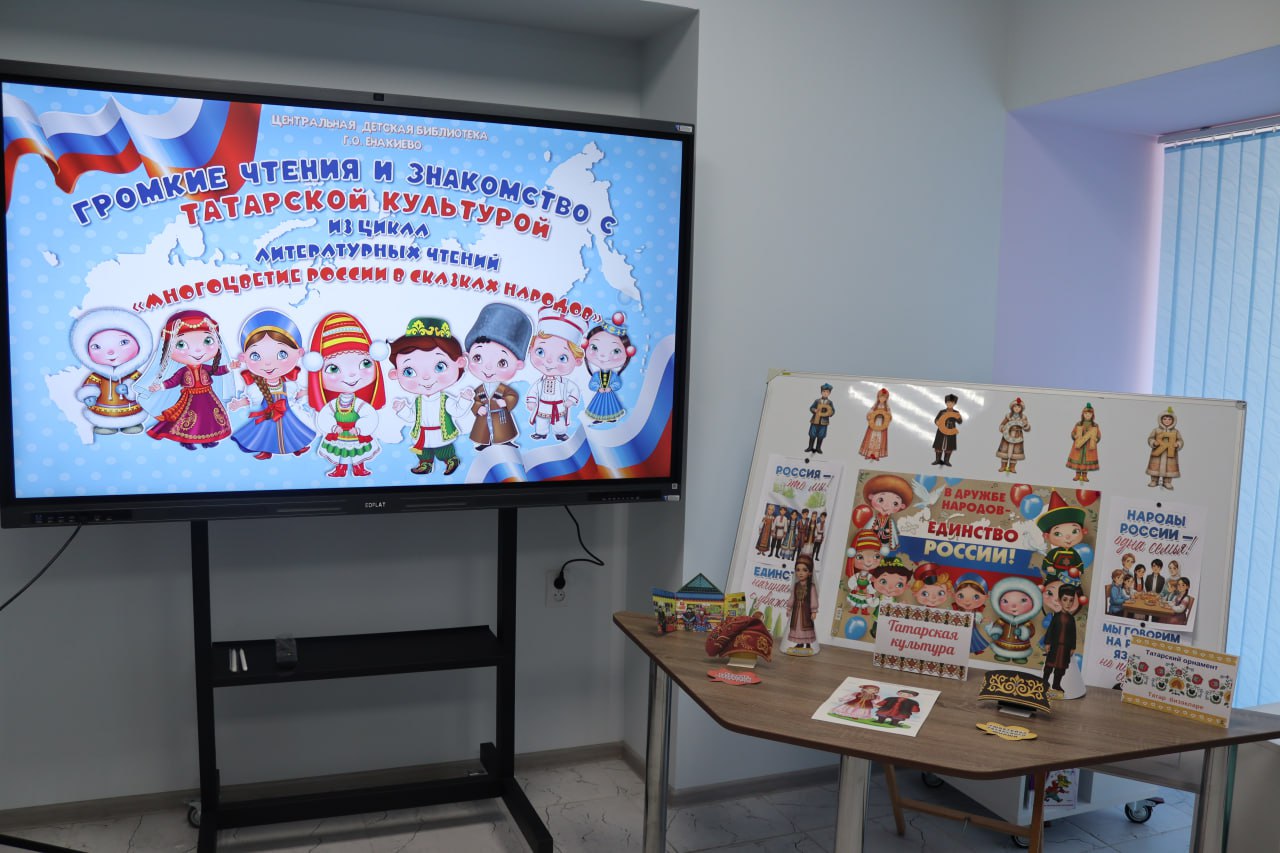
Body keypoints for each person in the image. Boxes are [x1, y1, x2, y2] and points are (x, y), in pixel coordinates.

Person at [305, 312, 389, 478]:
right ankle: (341, 469)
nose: (351, 375)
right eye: (333, 368)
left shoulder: (359, 403)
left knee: (358, 452)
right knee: (341, 452)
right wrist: (332, 427)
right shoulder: (334, 404)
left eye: (365, 363)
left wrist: (361, 428)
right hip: (339, 432)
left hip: (355, 432)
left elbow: (369, 414)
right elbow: (325, 414)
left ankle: (359, 468)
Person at [388, 316, 472, 476]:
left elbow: (457, 411)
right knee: (423, 451)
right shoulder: (418, 401)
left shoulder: (444, 399)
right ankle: (425, 464)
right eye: (409, 371)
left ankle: (451, 460)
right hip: (422, 433)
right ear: (395, 374)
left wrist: (465, 399)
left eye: (440, 366)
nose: (426, 378)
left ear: (460, 363)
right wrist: (402, 409)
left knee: (444, 449)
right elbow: (411, 417)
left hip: (441, 432)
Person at [139, 309, 234, 449]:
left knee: (209, 418)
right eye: (181, 344)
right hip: (191, 399)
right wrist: (161, 386)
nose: (197, 350)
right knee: (188, 418)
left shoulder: (205, 368)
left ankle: (209, 439)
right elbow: (173, 381)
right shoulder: (183, 371)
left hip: (208, 396)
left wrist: (230, 367)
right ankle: (186, 440)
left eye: (207, 341)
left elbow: (217, 371)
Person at [228, 309, 314, 460]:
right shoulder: (257, 387)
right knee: (265, 434)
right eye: (256, 355)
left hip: (287, 416)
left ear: (299, 353)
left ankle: (297, 447)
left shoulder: (289, 384)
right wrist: (239, 403)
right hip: (267, 416)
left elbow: (297, 394)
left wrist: (311, 391)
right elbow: (250, 399)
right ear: (244, 358)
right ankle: (265, 450)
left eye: (282, 354)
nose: (268, 363)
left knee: (293, 431)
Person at [68, 306, 153, 439]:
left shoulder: (133, 374)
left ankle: (132, 423)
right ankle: (105, 425)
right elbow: (89, 387)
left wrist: (130, 389)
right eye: (97, 346)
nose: (111, 352)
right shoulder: (97, 376)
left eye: (123, 342)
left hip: (131, 410)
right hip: (103, 411)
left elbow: (143, 388)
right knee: (103, 421)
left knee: (132, 420)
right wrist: (89, 396)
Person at [463, 302, 533, 450]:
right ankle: (485, 443)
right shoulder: (479, 390)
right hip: (484, 417)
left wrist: (505, 402)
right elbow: (475, 401)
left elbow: (512, 395)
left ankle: (505, 441)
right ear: (467, 356)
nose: (488, 368)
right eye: (477, 358)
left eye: (502, 362)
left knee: (503, 432)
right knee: (484, 431)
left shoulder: (503, 389)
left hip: (501, 416)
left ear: (518, 365)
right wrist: (477, 408)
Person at [525, 306, 586, 441]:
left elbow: (574, 390)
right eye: (540, 351)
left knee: (559, 422)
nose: (549, 361)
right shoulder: (540, 382)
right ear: (530, 348)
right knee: (541, 421)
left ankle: (560, 433)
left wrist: (571, 400)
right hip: (543, 405)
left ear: (577, 361)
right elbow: (533, 391)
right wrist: (531, 401)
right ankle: (541, 433)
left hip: (559, 406)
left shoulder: (565, 383)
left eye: (562, 358)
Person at [583, 312, 634, 424]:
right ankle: (598, 418)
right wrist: (598, 388)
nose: (603, 356)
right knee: (598, 406)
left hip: (609, 393)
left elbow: (617, 383)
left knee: (611, 405)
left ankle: (611, 417)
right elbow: (592, 384)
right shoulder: (596, 375)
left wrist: (611, 387)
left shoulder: (613, 375)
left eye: (616, 351)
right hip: (600, 393)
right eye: (594, 347)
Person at [984, 576, 1042, 664]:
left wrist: (1024, 632)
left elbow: (1031, 631)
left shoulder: (1026, 622)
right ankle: (1002, 654)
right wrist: (996, 632)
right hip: (1002, 645)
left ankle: (1020, 656)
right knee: (1001, 651)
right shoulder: (1003, 620)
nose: (1014, 606)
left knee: (1021, 654)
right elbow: (997, 625)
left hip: (1022, 647)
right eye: (1005, 601)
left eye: (1023, 600)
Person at [859, 473, 914, 553]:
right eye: (881, 500)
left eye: (895, 503)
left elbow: (893, 533)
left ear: (902, 506)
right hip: (872, 542)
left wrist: (894, 542)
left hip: (885, 544)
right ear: (871, 497)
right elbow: (867, 529)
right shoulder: (873, 519)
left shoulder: (890, 522)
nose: (886, 506)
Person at [1043, 583, 1082, 691]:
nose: (1068, 603)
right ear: (1060, 600)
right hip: (1055, 646)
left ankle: (1056, 684)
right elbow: (1050, 630)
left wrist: (1073, 647)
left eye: (1071, 600)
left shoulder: (1071, 619)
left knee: (1061, 668)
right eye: (1065, 600)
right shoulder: (1056, 617)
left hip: (1065, 648)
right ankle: (1044, 682)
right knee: (1049, 665)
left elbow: (1073, 633)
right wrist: (1047, 642)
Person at [785, 555, 819, 653]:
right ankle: (800, 643)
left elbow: (813, 598)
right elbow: (792, 597)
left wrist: (814, 611)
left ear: (810, 573)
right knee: (798, 627)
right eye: (798, 570)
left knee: (806, 627)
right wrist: (789, 607)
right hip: (796, 611)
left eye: (804, 570)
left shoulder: (811, 587)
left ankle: (807, 644)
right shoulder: (796, 586)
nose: (800, 573)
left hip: (806, 611)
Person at [1146, 407, 1183, 490]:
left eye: (1169, 419)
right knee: (1155, 467)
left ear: (1173, 421)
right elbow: (1150, 438)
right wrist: (1153, 442)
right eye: (1165, 419)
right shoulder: (1156, 430)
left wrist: (1178, 444)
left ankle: (1167, 482)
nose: (1167, 421)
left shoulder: (1175, 431)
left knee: (1169, 469)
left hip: (1170, 454)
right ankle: (1154, 480)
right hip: (1158, 453)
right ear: (1161, 420)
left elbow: (1180, 440)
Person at [953, 573, 991, 654]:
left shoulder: (976, 613)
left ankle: (976, 649)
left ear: (986, 597)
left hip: (972, 629)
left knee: (974, 639)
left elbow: (978, 620)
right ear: (954, 595)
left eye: (976, 597)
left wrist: (982, 620)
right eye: (961, 596)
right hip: (961, 628)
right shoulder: (959, 611)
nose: (967, 601)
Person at [1066, 402, 1101, 482]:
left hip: (1089, 446)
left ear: (1092, 415)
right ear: (1083, 414)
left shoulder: (1095, 425)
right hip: (1079, 445)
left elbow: (1098, 434)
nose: (1087, 415)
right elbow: (1073, 432)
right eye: (1086, 414)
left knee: (1086, 461)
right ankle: (1077, 475)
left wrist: (1097, 438)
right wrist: (1074, 435)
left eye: (1089, 414)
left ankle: (1084, 475)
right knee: (1079, 460)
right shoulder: (1078, 424)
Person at [996, 397, 1030, 473]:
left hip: (1018, 436)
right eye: (1015, 407)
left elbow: (1027, 429)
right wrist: (1003, 428)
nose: (1017, 408)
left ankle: (1012, 467)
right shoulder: (1008, 416)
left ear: (1021, 409)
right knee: (1004, 452)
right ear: (1012, 408)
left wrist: (1025, 425)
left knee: (1015, 453)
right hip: (1007, 435)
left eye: (1019, 407)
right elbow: (1002, 424)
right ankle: (1003, 466)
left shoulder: (1023, 417)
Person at [859, 387, 891, 461]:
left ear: (886, 398)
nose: (882, 399)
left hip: (882, 424)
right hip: (874, 423)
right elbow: (870, 412)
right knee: (871, 437)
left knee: (879, 438)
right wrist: (870, 415)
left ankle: (876, 455)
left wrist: (886, 417)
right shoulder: (876, 405)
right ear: (878, 397)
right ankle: (869, 454)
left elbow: (889, 415)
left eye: (884, 397)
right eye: (881, 397)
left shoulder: (887, 407)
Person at [931, 393, 963, 466]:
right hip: (941, 430)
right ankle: (937, 460)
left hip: (951, 430)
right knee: (938, 445)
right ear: (946, 403)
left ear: (954, 403)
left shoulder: (956, 412)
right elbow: (936, 419)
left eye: (952, 403)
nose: (950, 404)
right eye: (948, 402)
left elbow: (960, 422)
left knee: (949, 446)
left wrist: (959, 417)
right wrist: (937, 422)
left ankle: (946, 461)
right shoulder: (942, 412)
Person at [806, 383, 835, 454]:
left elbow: (833, 410)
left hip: (824, 422)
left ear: (829, 393)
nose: (825, 393)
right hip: (815, 420)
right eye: (824, 391)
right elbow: (811, 407)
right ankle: (810, 447)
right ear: (821, 392)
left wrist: (830, 413)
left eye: (827, 392)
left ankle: (818, 448)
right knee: (812, 433)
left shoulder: (830, 402)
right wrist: (814, 410)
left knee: (821, 435)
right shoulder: (817, 401)